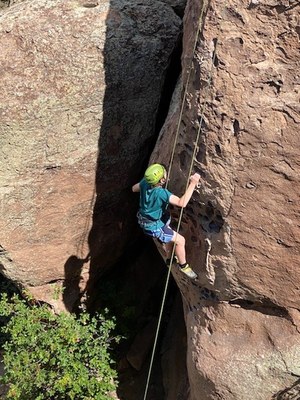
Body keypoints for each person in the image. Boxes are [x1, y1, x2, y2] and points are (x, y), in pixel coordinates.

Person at [132, 163, 200, 279]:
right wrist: (193, 183)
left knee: (168, 233)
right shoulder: (161, 193)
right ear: (162, 180)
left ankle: (169, 258)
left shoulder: (145, 183)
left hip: (148, 219)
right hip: (154, 225)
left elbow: (134, 188)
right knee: (180, 240)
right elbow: (181, 203)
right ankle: (183, 266)